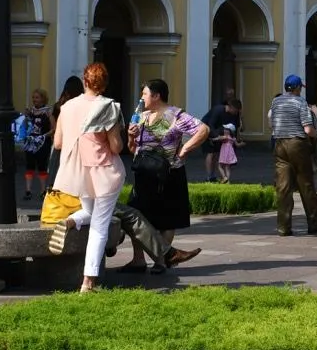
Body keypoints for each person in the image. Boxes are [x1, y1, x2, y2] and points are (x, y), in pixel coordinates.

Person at [51, 62, 126, 293]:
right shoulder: (108, 106)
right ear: (104, 84)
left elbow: (58, 143)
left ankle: (71, 221)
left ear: (85, 81)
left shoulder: (67, 107)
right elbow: (116, 147)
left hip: (77, 171)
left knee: (90, 211)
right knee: (100, 226)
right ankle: (88, 281)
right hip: (105, 171)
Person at [125, 78, 210, 272]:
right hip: (144, 172)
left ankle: (160, 262)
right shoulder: (141, 116)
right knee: (137, 216)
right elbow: (132, 149)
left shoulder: (176, 115)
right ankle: (138, 260)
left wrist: (185, 148)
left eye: (145, 94)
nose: (142, 98)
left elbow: (203, 129)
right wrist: (130, 136)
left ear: (156, 96)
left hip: (169, 173)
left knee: (167, 218)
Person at [268, 75, 317, 237]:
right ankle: (315, 223)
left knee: (283, 187)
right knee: (306, 184)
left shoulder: (276, 102)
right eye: (300, 87)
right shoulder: (300, 102)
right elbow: (308, 129)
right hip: (297, 145)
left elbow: (271, 123)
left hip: (279, 144)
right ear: (296, 88)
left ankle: (283, 226)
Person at [22, 88, 54, 201]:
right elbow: (24, 127)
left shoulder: (48, 112)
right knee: (29, 166)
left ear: (43, 99)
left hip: (43, 143)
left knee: (42, 167)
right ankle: (28, 190)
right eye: (33, 98)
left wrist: (44, 136)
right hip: (30, 142)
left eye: (37, 97)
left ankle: (43, 190)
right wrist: (25, 116)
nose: (34, 100)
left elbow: (54, 128)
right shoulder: (30, 111)